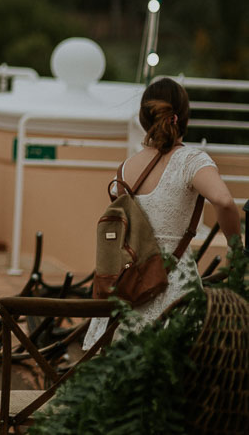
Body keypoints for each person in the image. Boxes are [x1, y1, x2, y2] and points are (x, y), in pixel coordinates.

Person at [83, 77, 242, 349]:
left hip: (130, 288)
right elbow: (224, 202)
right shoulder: (191, 160)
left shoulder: (125, 168)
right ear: (183, 117)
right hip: (173, 291)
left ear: (145, 119)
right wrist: (236, 249)